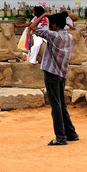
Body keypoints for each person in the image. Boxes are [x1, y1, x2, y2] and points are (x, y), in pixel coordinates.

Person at [28, 11, 79, 145]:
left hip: (51, 72)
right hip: (62, 73)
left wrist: (43, 15)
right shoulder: (69, 37)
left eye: (52, 24)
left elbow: (32, 27)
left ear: (55, 25)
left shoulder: (53, 36)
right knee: (61, 104)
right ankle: (71, 134)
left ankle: (61, 137)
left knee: (55, 105)